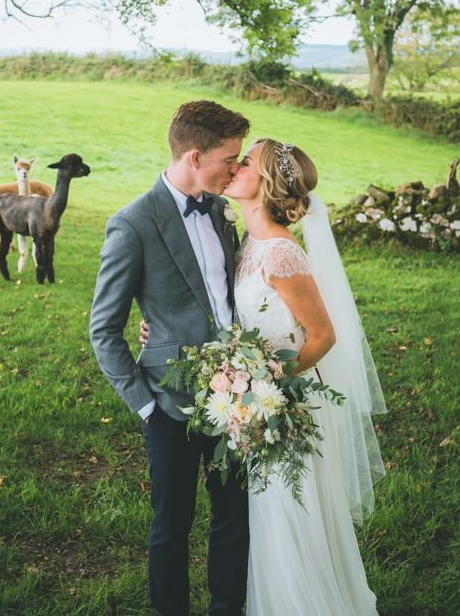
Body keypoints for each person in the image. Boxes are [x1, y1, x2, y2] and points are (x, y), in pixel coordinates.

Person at [89, 100, 251, 616]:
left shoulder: (220, 211)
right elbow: (104, 330)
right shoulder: (132, 224)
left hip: (238, 396)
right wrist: (145, 406)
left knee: (234, 517)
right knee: (171, 525)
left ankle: (228, 608)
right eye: (230, 158)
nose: (236, 168)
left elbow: (221, 299)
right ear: (196, 156)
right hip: (168, 404)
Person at [223, 137, 387, 615]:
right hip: (258, 403)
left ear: (267, 182)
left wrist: (268, 385)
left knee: (292, 515)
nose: (235, 166)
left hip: (285, 406)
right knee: (270, 518)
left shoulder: (280, 253)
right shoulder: (249, 242)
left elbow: (322, 335)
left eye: (246, 161)